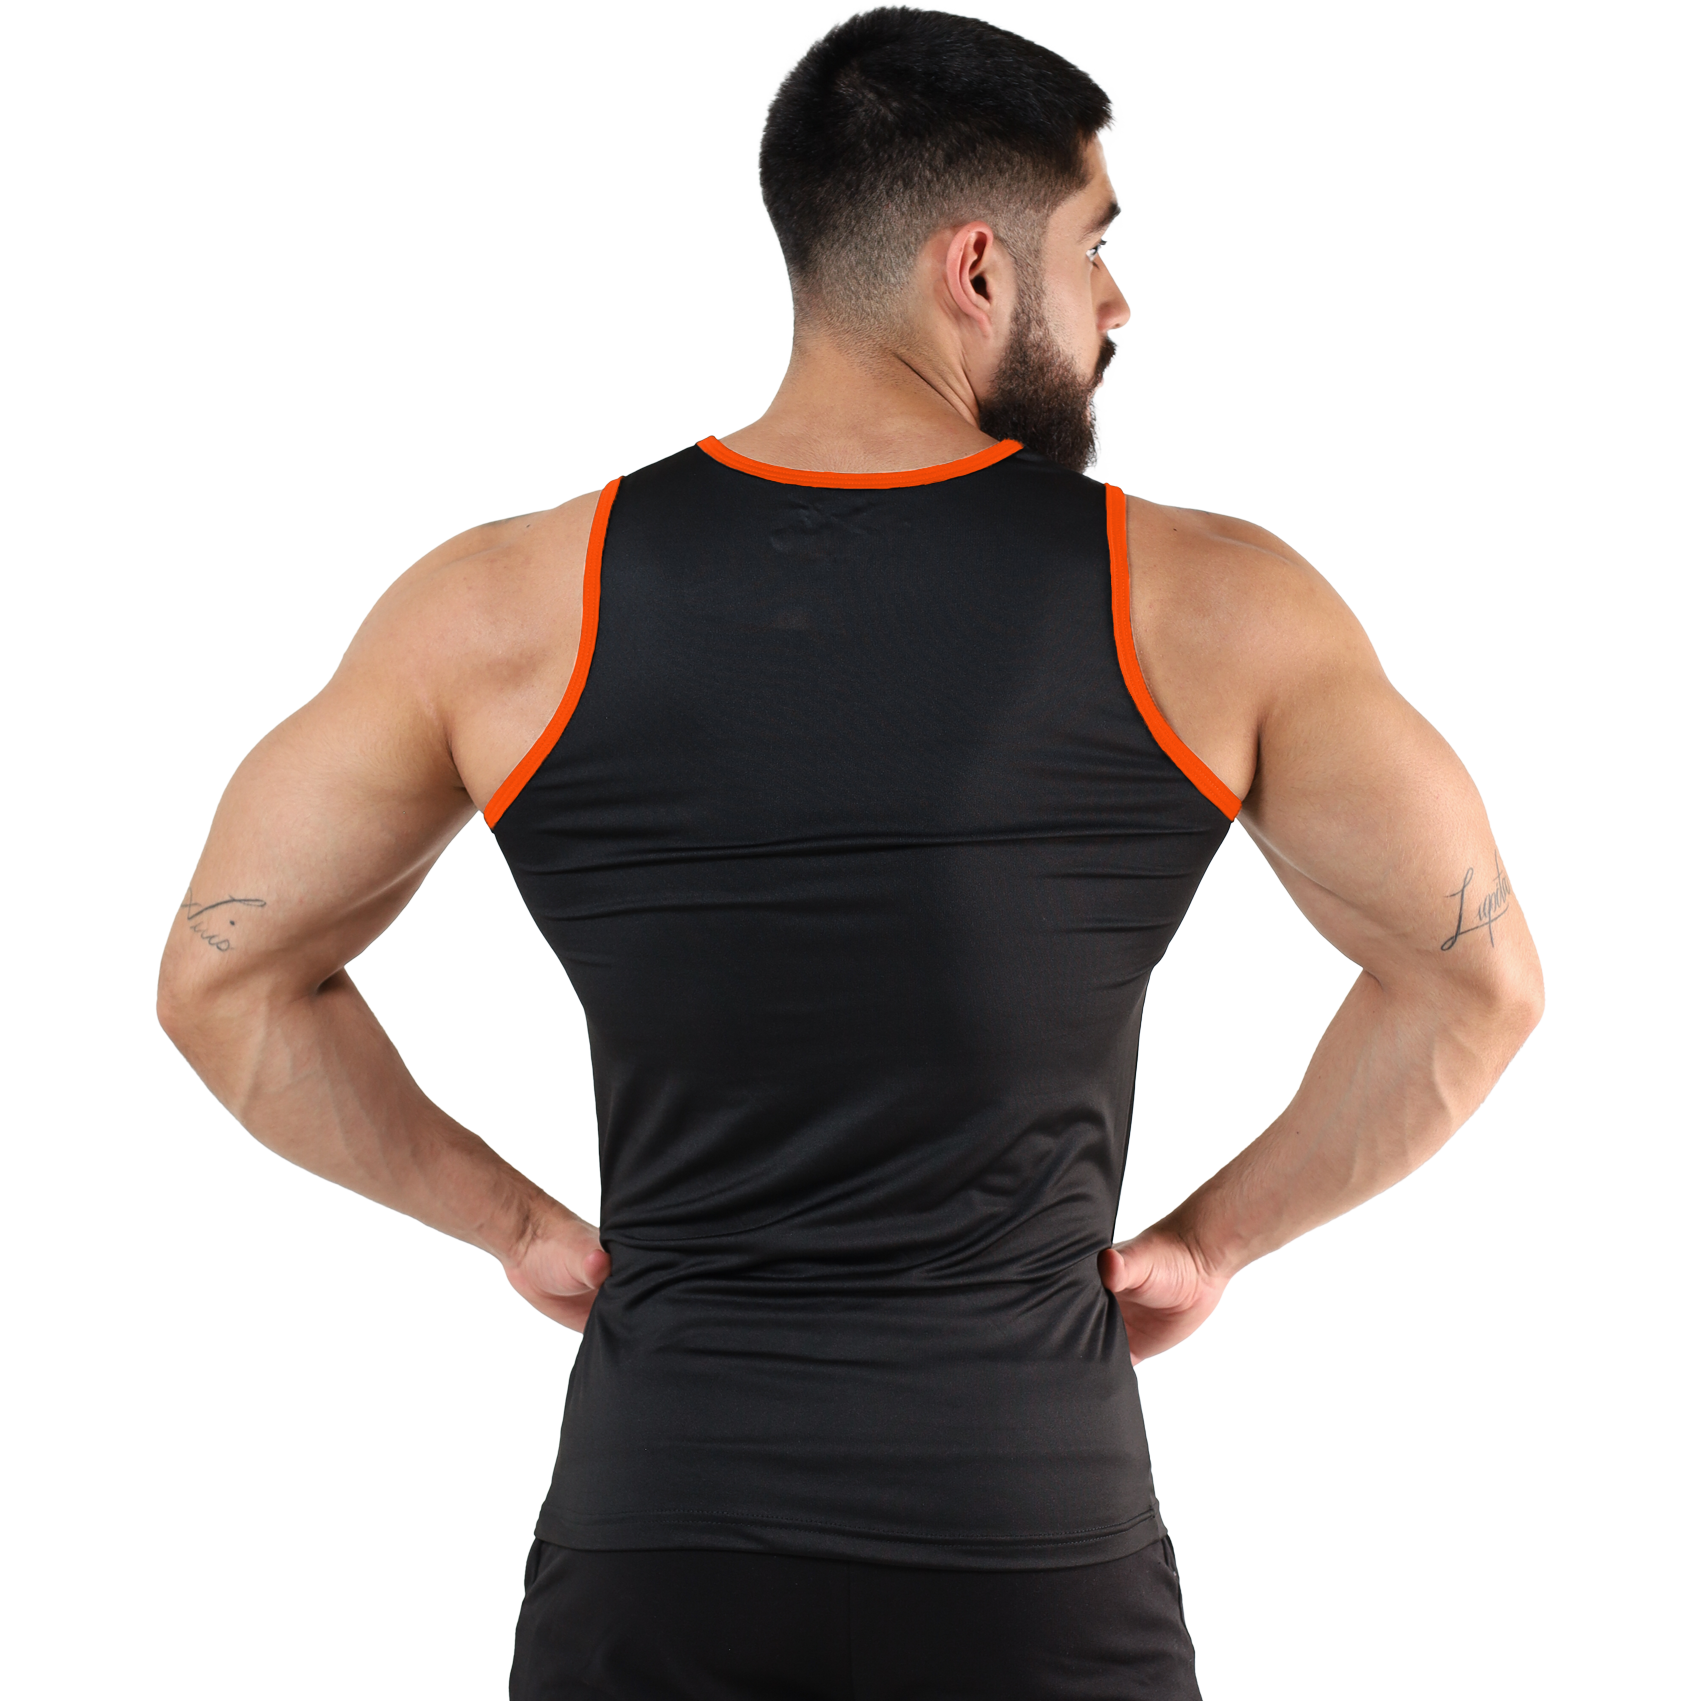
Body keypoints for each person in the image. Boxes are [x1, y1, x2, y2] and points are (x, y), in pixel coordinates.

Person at [156, 7, 1544, 1697]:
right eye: (1094, 246)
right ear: (977, 267)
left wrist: (510, 1221)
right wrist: (1214, 1241)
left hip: (661, 1531)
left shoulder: (509, 605)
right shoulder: (1211, 604)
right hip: (1032, 1532)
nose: (1114, 304)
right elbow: (1475, 982)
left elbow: (226, 976)